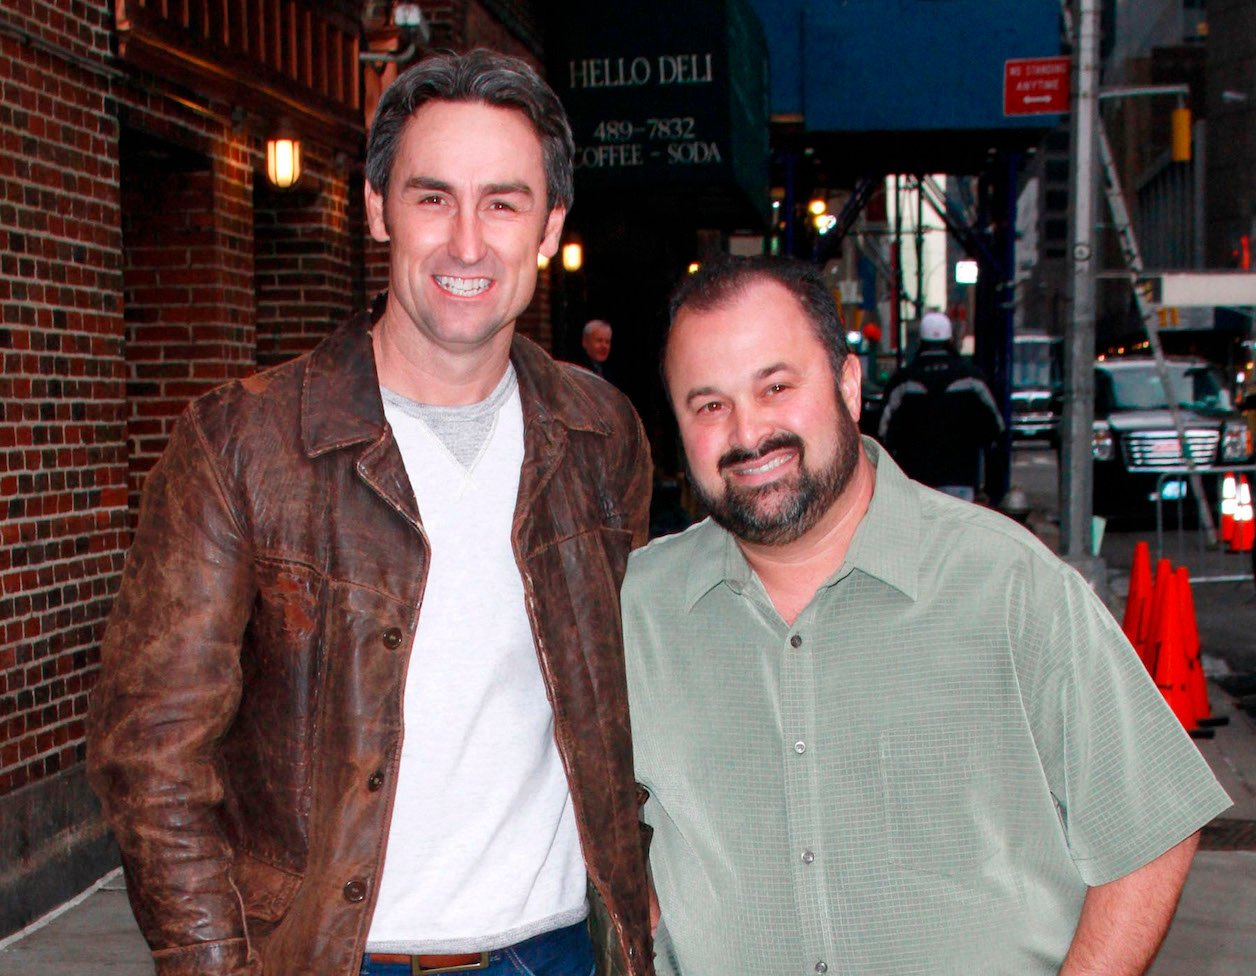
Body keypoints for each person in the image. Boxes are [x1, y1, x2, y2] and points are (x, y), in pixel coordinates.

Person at [87, 49, 655, 976]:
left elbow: (619, 708)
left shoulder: (601, 437)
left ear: (549, 227)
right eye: (433, 197)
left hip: (560, 952)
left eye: (503, 203)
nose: (467, 242)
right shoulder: (246, 444)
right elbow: (151, 755)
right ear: (375, 207)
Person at [622, 255, 1229, 976]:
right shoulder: (639, 608)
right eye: (709, 404)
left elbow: (1151, 827)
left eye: (776, 386)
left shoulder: (1006, 583)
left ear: (848, 386)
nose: (749, 433)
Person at [877, 309, 1004, 500]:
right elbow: (996, 426)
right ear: (951, 339)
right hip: (961, 476)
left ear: (920, 340)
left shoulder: (904, 380)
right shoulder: (971, 377)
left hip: (915, 479)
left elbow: (883, 431)